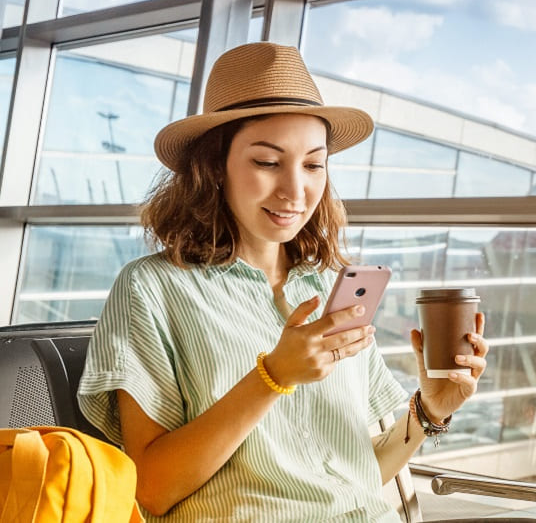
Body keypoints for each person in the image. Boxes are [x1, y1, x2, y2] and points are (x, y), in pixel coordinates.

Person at [77, 42, 488, 522]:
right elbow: (150, 490)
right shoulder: (152, 289)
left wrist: (429, 413)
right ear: (214, 168)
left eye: (314, 165)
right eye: (268, 162)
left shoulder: (331, 285)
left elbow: (352, 476)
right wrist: (272, 377)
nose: (296, 191)